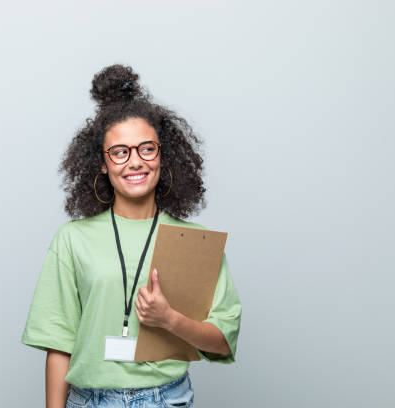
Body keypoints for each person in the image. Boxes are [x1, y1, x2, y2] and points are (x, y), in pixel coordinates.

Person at [21, 64, 242, 408]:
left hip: (166, 399)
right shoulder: (72, 239)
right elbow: (58, 343)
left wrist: (169, 319)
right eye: (120, 152)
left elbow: (222, 342)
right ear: (102, 164)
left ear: (162, 155)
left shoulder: (194, 241)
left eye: (146, 149)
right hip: (90, 400)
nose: (135, 162)